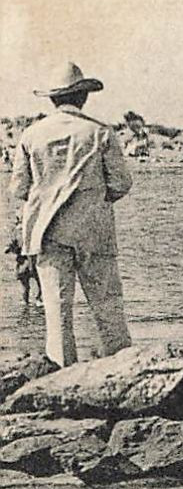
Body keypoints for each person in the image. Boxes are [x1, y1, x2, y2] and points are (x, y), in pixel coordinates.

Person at [8, 65, 133, 367]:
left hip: (48, 233)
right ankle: (123, 371)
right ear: (84, 96)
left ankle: (62, 378)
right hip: (94, 230)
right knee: (108, 310)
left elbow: (19, 188)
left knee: (57, 315)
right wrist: (95, 201)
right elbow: (121, 183)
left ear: (52, 99)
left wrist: (47, 197)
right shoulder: (100, 132)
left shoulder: (31, 135)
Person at [8, 232, 39, 306]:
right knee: (39, 284)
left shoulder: (16, 237)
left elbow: (7, 250)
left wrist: (13, 248)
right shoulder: (31, 236)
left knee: (25, 287)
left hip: (22, 265)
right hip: (30, 264)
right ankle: (38, 299)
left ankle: (26, 301)